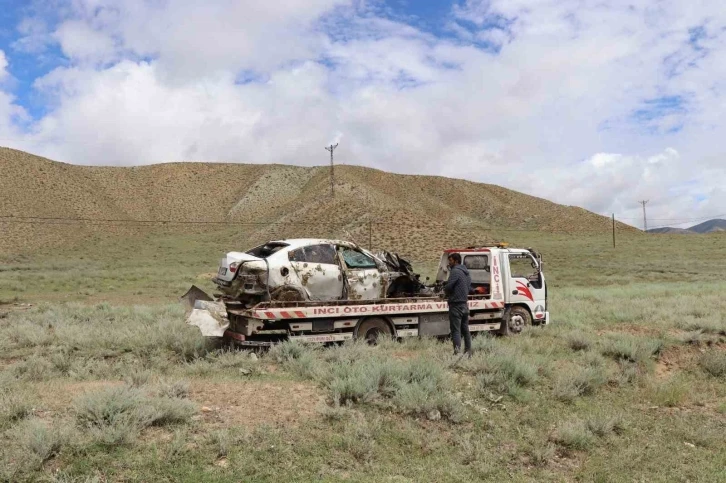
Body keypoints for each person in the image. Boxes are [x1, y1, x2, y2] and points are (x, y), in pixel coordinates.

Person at [444, 252, 472, 356]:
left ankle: (457, 354)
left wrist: (445, 292)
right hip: (464, 305)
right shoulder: (466, 272)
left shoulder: (455, 271)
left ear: (456, 261)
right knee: (465, 330)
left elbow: (449, 287)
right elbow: (469, 287)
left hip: (456, 305)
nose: (449, 263)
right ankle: (468, 352)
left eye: (450, 261)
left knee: (455, 331)